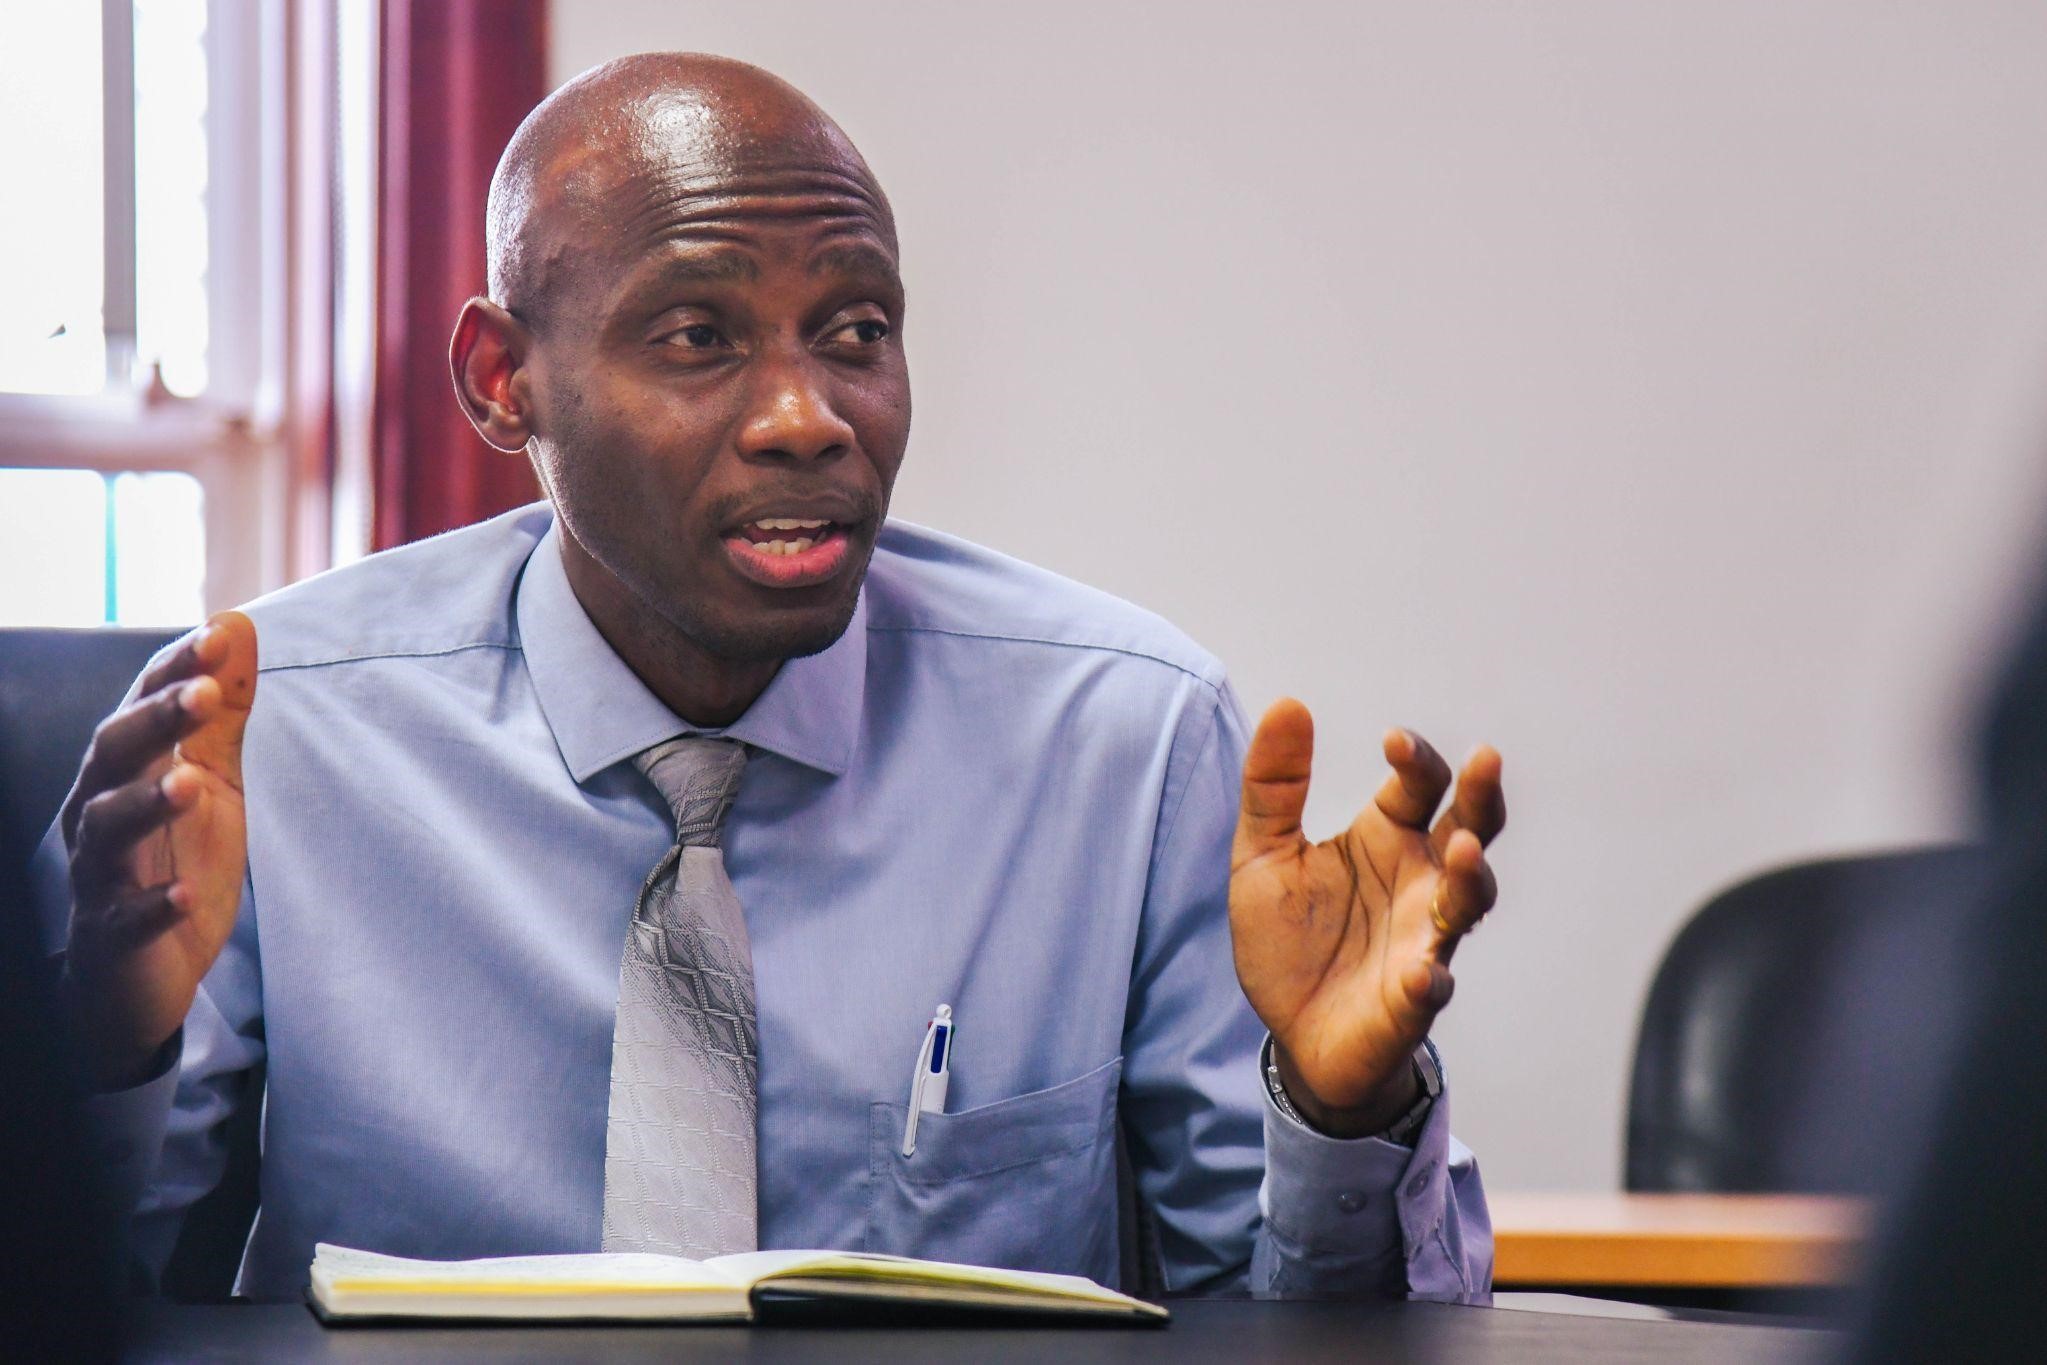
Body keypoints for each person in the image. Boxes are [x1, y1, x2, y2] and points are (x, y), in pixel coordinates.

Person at [37, 53, 1506, 1302]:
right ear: (504, 380)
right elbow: (77, 1311)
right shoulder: (263, 738)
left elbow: (1277, 1328)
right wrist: (95, 1052)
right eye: (700, 335)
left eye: (856, 331)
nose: (809, 416)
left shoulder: (1124, 744)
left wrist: (1340, 1114)